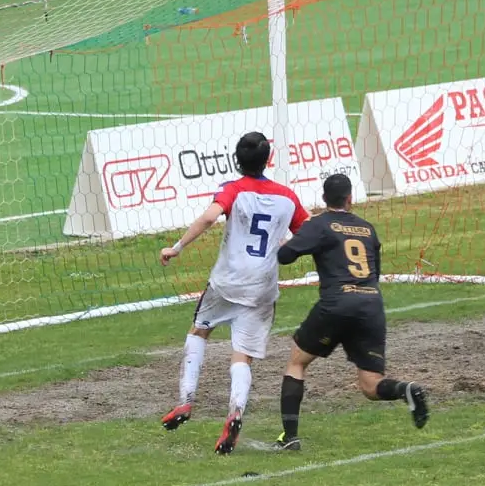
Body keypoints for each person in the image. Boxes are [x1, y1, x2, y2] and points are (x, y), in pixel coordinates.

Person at [157, 131, 309, 454]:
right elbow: (307, 233)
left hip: (227, 283)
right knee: (243, 356)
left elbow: (210, 217)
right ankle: (235, 412)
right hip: (262, 289)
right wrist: (286, 245)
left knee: (199, 330)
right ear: (268, 159)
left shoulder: (233, 189)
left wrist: (177, 247)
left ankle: (185, 401)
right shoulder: (287, 197)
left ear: (237, 160)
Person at [271, 174, 428, 450]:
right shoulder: (368, 229)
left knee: (297, 361)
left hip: (337, 303)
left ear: (324, 199)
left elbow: (284, 256)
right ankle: (406, 389)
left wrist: (303, 233)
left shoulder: (319, 224)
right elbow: (375, 272)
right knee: (370, 385)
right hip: (370, 305)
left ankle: (290, 437)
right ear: (350, 198)